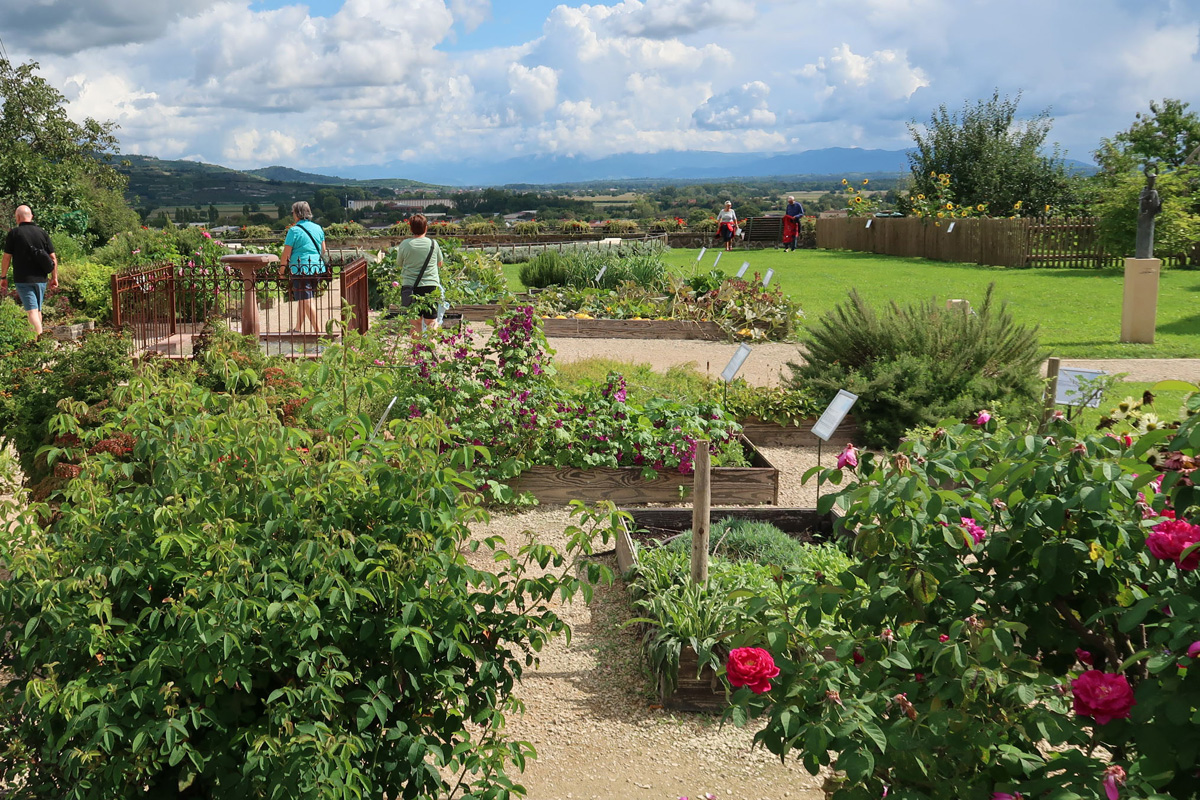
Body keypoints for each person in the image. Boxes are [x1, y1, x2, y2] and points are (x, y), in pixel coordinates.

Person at [1, 205, 59, 336]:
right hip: (42, 279)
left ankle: (41, 344)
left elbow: (6, 258)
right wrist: (54, 277)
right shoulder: (42, 232)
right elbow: (53, 258)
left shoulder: (14, 233)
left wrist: (3, 277)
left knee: (32, 311)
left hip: (23, 279)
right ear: (31, 216)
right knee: (37, 311)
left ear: (18, 218)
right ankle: (36, 340)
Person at [277, 201, 326, 333]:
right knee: (304, 298)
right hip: (316, 268)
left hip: (300, 269)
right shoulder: (318, 228)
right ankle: (298, 328)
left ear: (297, 213)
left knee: (307, 300)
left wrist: (281, 270)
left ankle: (318, 333)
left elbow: (286, 253)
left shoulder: (294, 230)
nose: (292, 215)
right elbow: (324, 250)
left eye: (292, 212)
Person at [393, 213, 443, 335]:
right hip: (430, 286)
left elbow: (399, 263)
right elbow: (440, 263)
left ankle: (417, 352)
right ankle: (431, 348)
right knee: (431, 321)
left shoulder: (405, 244)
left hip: (410, 288)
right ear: (426, 228)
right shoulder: (433, 244)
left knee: (415, 323)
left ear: (411, 229)